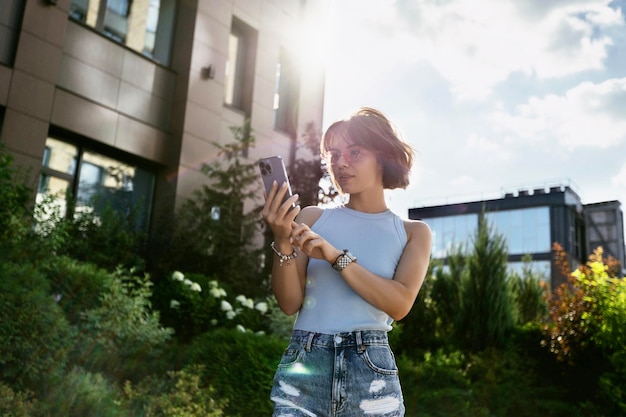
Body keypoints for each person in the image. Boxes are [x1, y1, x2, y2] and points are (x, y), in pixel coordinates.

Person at [261, 107, 432, 417]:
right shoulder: (312, 218)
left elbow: (399, 303)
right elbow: (289, 303)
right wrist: (283, 239)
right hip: (305, 364)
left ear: (383, 157)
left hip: (370, 374)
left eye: (354, 153)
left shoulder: (413, 233)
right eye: (334, 154)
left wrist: (335, 256)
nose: (340, 163)